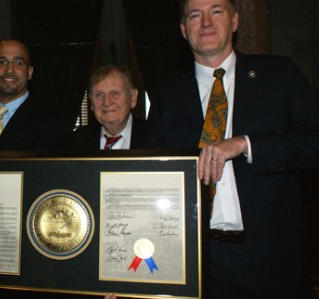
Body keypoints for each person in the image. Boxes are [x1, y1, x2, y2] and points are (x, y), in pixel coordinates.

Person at [146, 0, 319, 298]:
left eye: (217, 11)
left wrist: (246, 144)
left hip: (273, 261)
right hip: (196, 263)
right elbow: (149, 184)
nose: (206, 23)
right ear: (184, 30)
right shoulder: (167, 99)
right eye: (195, 15)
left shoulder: (280, 76)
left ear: (235, 21)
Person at [0, 39, 71, 159]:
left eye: (18, 63)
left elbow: (45, 173)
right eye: (2, 62)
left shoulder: (50, 122)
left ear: (29, 72)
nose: (9, 69)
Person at [71, 65, 146, 150]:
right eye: (99, 95)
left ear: (133, 98)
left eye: (115, 94)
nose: (106, 102)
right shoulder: (75, 142)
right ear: (91, 101)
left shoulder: (157, 138)